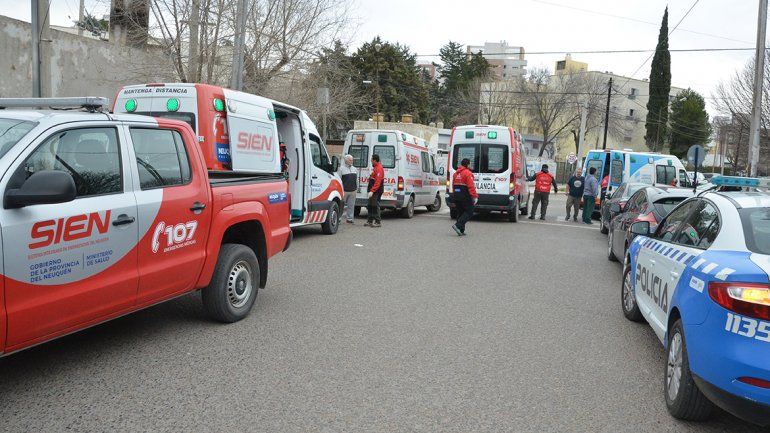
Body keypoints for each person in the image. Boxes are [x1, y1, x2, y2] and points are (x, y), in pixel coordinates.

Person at [451, 158, 478, 236]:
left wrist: (454, 194)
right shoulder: (468, 173)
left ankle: (461, 230)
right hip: (465, 195)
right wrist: (474, 196)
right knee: (470, 211)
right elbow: (471, 186)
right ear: (468, 164)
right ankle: (457, 225)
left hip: (456, 195)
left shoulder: (455, 174)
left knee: (461, 212)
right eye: (470, 164)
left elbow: (453, 185)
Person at [365, 154, 385, 228]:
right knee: (370, 205)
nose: (370, 161)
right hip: (373, 190)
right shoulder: (375, 167)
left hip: (376, 191)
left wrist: (372, 191)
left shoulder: (379, 168)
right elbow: (374, 178)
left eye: (371, 160)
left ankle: (377, 221)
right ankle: (370, 220)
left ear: (375, 160)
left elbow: (378, 182)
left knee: (375, 205)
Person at [338, 154, 357, 224]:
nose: (351, 161)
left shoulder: (355, 169)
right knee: (341, 205)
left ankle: (350, 218)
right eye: (350, 160)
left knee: (351, 206)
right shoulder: (341, 169)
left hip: (353, 190)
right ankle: (338, 218)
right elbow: (339, 180)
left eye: (352, 160)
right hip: (344, 190)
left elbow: (356, 179)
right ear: (346, 161)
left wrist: (356, 188)